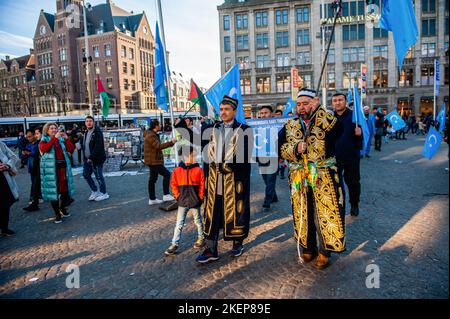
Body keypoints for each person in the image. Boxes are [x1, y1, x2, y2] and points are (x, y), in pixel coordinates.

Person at [278, 88, 345, 269]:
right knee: (303, 212)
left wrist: (319, 111)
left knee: (323, 213)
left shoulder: (326, 121)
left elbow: (339, 129)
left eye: (305, 104)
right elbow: (280, 150)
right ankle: (308, 247)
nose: (301, 108)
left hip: (324, 177)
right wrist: (295, 149)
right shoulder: (289, 126)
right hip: (300, 177)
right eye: (298, 104)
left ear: (314, 102)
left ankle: (325, 251)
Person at [196, 95, 254, 263]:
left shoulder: (245, 129)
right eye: (221, 109)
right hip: (214, 181)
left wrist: (226, 167)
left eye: (227, 109)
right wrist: (180, 127)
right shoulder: (212, 128)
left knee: (237, 212)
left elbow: (244, 155)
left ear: (234, 111)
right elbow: (198, 143)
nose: (223, 112)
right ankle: (211, 249)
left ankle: (237, 243)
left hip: (235, 181)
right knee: (212, 213)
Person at [165, 145, 205, 255]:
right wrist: (177, 196)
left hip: (194, 201)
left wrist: (200, 197)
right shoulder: (177, 171)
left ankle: (201, 238)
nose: (195, 158)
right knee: (179, 223)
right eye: (193, 156)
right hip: (182, 202)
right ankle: (174, 243)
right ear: (186, 156)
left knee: (198, 221)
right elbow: (173, 185)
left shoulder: (198, 170)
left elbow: (202, 185)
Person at [332, 92, 363, 217]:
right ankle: (339, 206)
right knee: (335, 184)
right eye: (335, 100)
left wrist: (359, 134)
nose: (338, 102)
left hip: (351, 156)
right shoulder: (329, 118)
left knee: (353, 182)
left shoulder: (354, 116)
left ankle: (354, 203)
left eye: (340, 100)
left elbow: (363, 138)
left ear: (345, 101)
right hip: (334, 157)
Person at [39, 122, 75, 224]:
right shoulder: (44, 140)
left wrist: (67, 138)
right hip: (52, 170)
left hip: (63, 169)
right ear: (47, 130)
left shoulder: (60, 139)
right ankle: (57, 214)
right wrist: (54, 138)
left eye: (55, 128)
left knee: (64, 191)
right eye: (51, 128)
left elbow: (71, 149)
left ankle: (62, 208)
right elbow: (44, 149)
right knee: (53, 192)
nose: (54, 130)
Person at [144, 119, 177, 205]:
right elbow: (158, 146)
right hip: (153, 161)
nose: (161, 126)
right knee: (167, 174)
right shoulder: (151, 135)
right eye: (159, 124)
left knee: (152, 179)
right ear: (156, 126)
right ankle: (166, 194)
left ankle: (152, 199)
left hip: (153, 160)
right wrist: (171, 142)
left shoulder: (152, 134)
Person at [256, 105, 279, 211]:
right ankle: (274, 197)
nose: (263, 115)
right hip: (261, 157)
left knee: (270, 180)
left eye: (265, 112)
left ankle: (267, 202)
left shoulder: (277, 126)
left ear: (271, 114)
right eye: (261, 113)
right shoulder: (255, 126)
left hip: (273, 157)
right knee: (266, 179)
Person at [82, 116, 109, 202]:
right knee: (86, 174)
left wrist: (91, 157)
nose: (88, 123)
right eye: (87, 121)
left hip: (96, 159)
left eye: (90, 121)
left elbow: (98, 146)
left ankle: (104, 193)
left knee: (98, 176)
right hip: (87, 159)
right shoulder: (86, 132)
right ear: (85, 123)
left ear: (93, 122)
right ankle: (94, 191)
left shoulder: (97, 132)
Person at [0, 141, 19, 236]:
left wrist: (7, 165)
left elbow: (14, 157)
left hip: (3, 177)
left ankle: (4, 228)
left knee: (5, 202)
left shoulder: (1, 144)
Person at [23, 128, 43, 212]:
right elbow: (24, 157)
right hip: (31, 168)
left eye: (30, 136)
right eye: (27, 137)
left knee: (35, 185)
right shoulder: (28, 145)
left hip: (38, 168)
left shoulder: (39, 144)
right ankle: (36, 200)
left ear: (34, 135)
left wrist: (30, 153)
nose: (28, 138)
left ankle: (35, 202)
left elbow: (38, 154)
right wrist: (24, 153)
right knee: (34, 184)